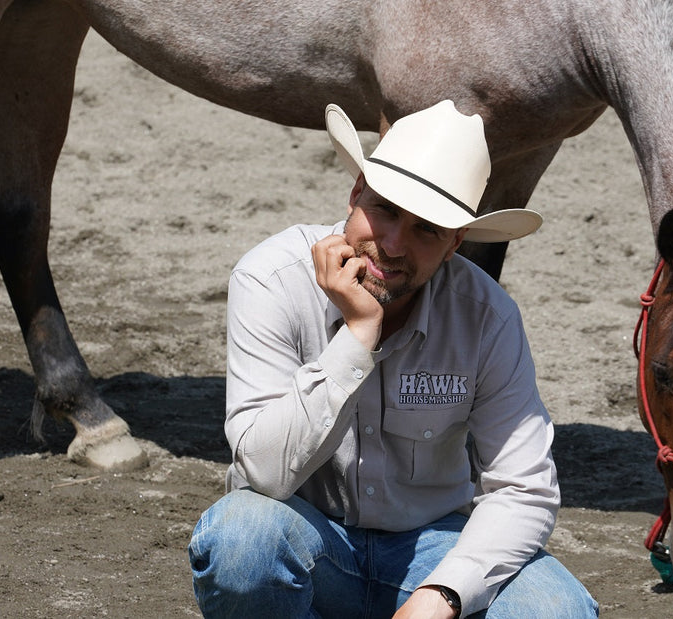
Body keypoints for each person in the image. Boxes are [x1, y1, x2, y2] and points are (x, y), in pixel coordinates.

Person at [188, 100, 598, 618]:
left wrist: (444, 594)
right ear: (356, 192)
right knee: (242, 540)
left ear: (455, 243)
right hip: (309, 537)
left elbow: (525, 486)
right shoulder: (270, 279)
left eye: (427, 228)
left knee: (556, 609)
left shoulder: (488, 317)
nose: (393, 245)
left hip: (431, 549)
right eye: (384, 209)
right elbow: (264, 474)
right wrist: (358, 335)